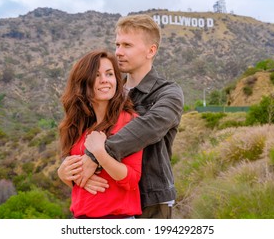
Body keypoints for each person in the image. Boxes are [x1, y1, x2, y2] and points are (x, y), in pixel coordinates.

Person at [79, 14, 184, 218]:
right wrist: (68, 168)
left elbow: (149, 127)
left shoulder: (169, 93)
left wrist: (96, 155)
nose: (118, 52)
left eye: (127, 45)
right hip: (111, 198)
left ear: (151, 50)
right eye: (117, 45)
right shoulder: (109, 91)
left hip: (151, 199)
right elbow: (81, 132)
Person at [57, 50, 143, 219]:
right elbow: (78, 181)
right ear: (83, 82)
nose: (104, 80)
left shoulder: (129, 121)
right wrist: (63, 174)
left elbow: (132, 179)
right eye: (96, 75)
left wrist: (100, 154)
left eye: (109, 74)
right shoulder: (78, 126)